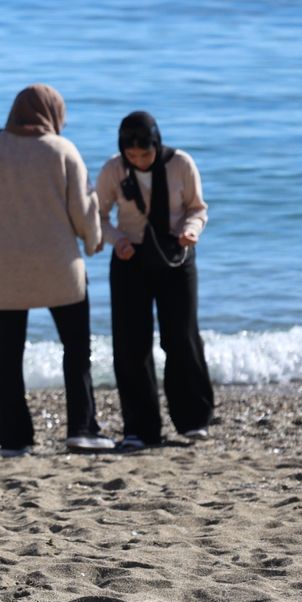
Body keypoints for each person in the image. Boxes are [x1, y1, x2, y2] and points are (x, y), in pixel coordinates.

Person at [0, 85, 107, 456]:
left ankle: (13, 438)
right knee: (76, 349)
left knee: (8, 353)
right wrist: (92, 240)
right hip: (58, 266)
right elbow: (83, 209)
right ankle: (81, 430)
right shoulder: (61, 149)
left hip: (4, 267)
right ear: (52, 112)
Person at [96, 111, 215, 451]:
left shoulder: (181, 164)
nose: (139, 161)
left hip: (176, 254)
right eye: (131, 156)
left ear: (157, 144)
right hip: (130, 258)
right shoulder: (113, 169)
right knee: (131, 344)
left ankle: (194, 420)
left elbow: (197, 207)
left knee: (181, 337)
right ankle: (140, 428)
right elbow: (98, 214)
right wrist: (115, 238)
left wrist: (192, 230)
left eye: (145, 155)